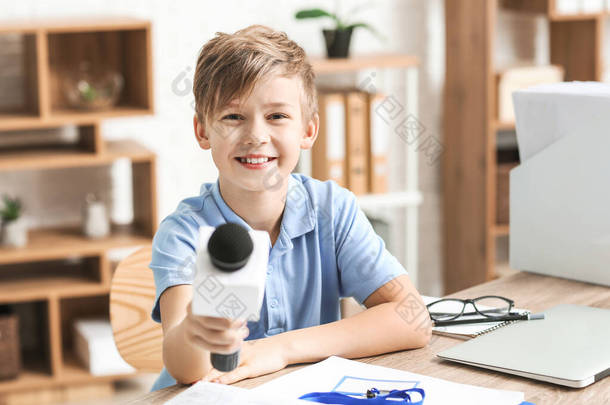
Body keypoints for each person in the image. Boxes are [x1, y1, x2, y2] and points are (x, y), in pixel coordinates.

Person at [149, 24, 431, 392]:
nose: (256, 136)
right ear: (203, 131)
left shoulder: (332, 210)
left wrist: (279, 350)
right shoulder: (184, 232)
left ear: (308, 131)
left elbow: (413, 320)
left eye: (277, 116)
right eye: (233, 117)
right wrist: (194, 331)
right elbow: (186, 369)